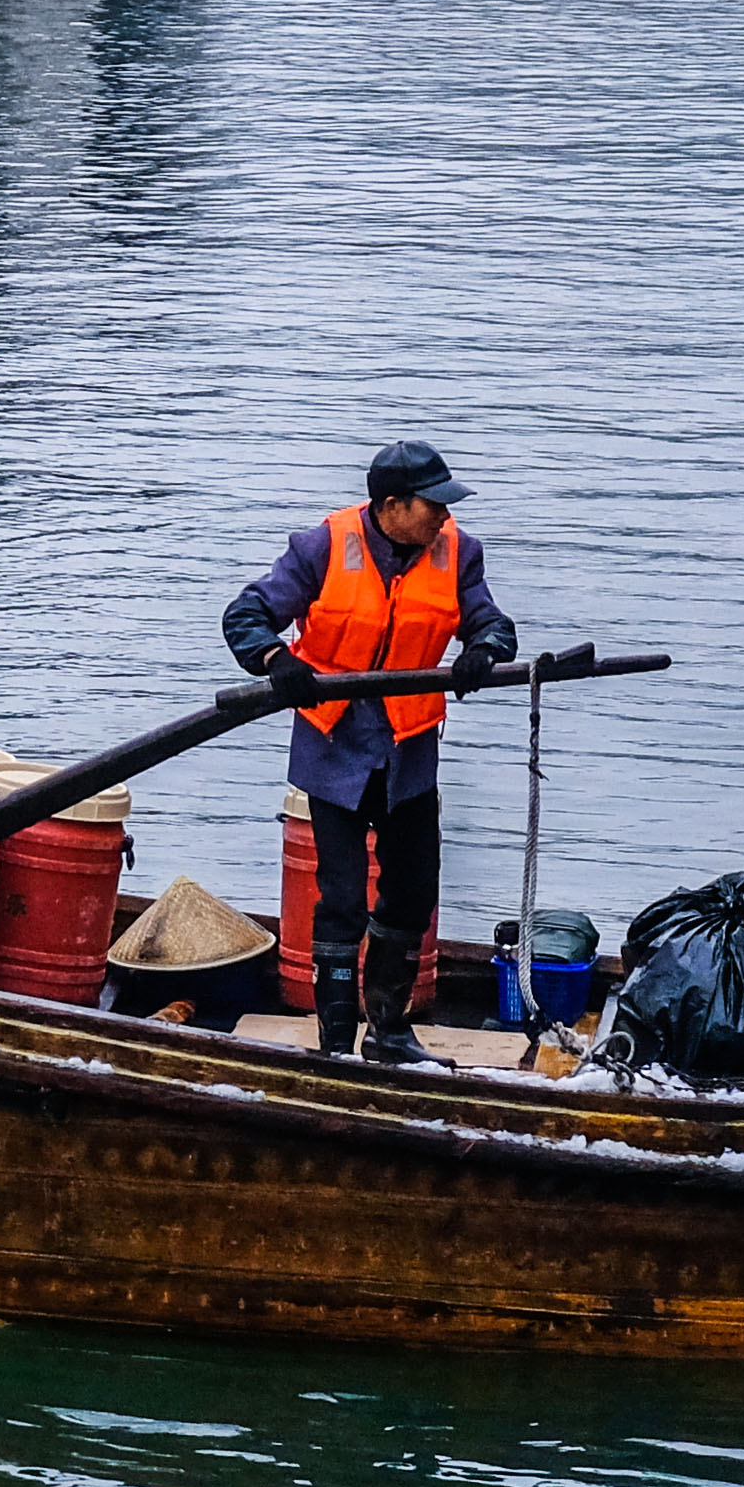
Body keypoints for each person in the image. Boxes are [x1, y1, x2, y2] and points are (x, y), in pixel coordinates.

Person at [221, 441, 514, 1062]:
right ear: (391, 506)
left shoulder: (458, 551)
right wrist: (279, 661)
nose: (443, 516)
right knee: (343, 896)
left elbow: (491, 622)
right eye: (432, 505)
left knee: (411, 891)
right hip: (335, 748)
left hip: (409, 753)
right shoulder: (323, 547)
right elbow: (246, 615)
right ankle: (333, 1042)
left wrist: (484, 649)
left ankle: (390, 1032)